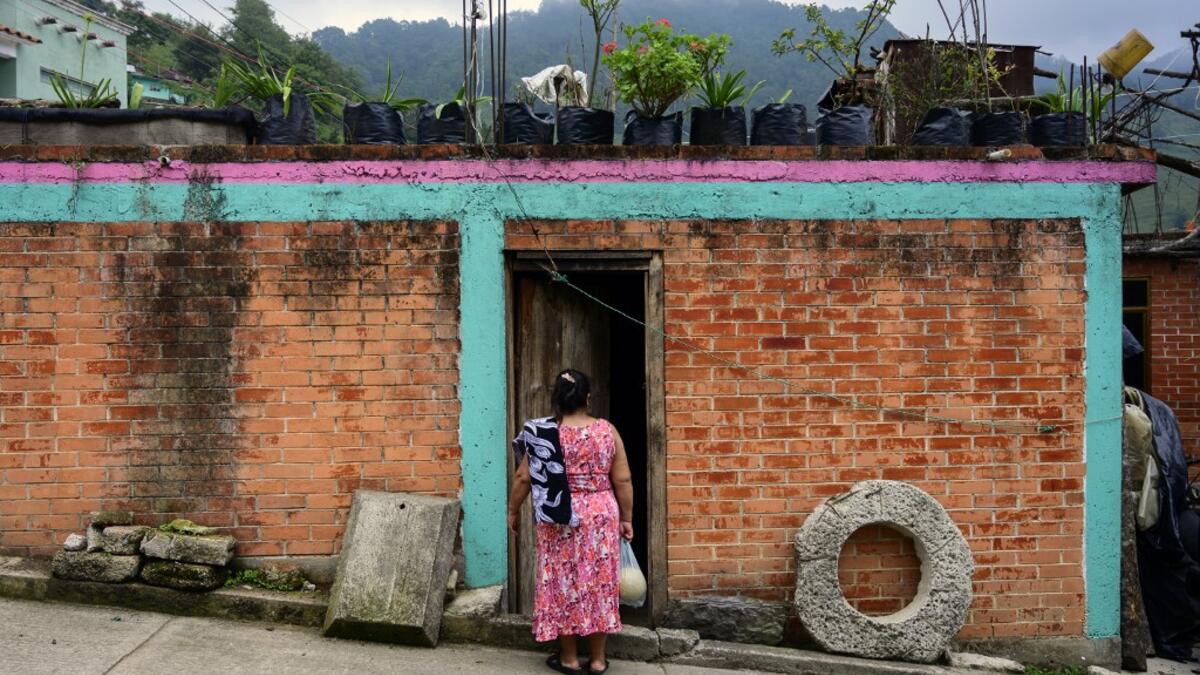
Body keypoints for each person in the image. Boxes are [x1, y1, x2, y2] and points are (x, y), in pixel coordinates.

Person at [508, 368, 634, 675]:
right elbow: (623, 478)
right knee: (599, 582)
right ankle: (598, 660)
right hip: (601, 513)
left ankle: (568, 659)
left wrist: (512, 510)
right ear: (587, 399)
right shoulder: (607, 431)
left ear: (557, 400)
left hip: (558, 514)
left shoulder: (544, 434)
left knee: (562, 583)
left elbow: (524, 477)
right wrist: (627, 518)